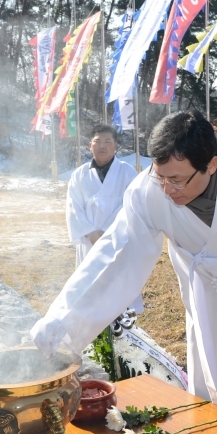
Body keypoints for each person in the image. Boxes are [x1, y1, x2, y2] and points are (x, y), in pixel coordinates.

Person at [31, 111, 217, 434]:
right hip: (210, 304)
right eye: (161, 177)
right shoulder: (148, 191)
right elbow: (114, 256)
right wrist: (60, 323)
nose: (168, 189)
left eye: (178, 180)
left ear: (211, 165)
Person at [65, 125, 141, 311]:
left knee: (117, 284)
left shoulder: (128, 172)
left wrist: (108, 230)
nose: (102, 146)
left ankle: (122, 326)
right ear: (90, 145)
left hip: (117, 237)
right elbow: (73, 207)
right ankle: (94, 331)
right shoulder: (79, 174)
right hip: (89, 240)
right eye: (97, 141)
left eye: (108, 141)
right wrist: (90, 232)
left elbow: (131, 204)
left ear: (116, 146)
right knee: (90, 286)